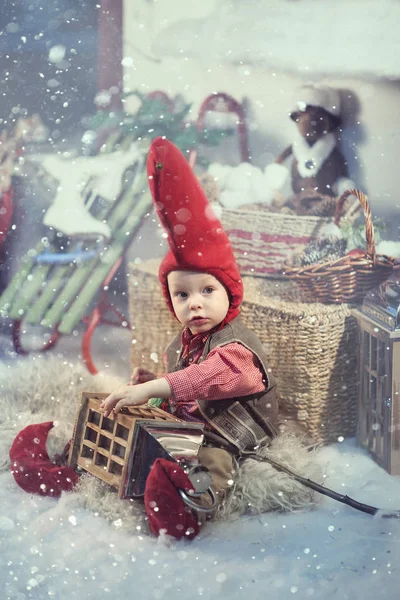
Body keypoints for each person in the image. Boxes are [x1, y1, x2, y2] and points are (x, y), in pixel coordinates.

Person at [100, 137, 278, 540]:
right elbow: (179, 383)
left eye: (207, 291)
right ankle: (115, 472)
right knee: (145, 439)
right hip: (190, 425)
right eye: (182, 294)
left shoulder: (235, 349)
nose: (194, 304)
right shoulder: (181, 342)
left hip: (228, 433)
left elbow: (208, 378)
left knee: (213, 463)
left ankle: (189, 510)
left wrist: (163, 386)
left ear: (229, 293)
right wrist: (151, 385)